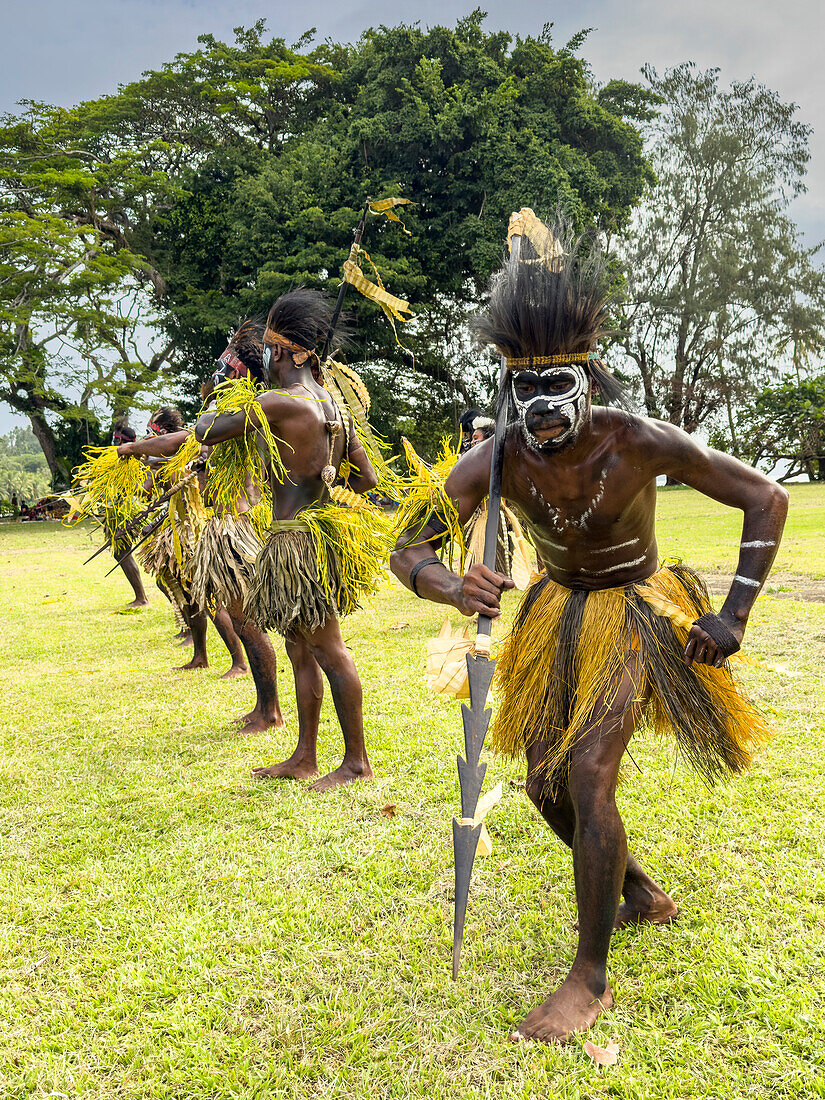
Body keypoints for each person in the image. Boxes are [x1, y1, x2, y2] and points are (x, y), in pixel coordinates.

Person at [390, 214, 787, 1044]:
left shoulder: (638, 441)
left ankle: (589, 976)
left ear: (586, 379)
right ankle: (637, 889)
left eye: (554, 389)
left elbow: (766, 497)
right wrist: (445, 581)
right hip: (553, 614)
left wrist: (732, 613)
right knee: (542, 787)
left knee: (589, 778)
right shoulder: (495, 458)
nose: (539, 409)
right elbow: (408, 544)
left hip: (632, 613)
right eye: (524, 393)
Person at [195, 289, 385, 791]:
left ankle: (356, 762)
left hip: (296, 543)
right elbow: (365, 480)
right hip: (314, 535)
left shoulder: (277, 403)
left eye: (266, 350)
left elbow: (205, 432)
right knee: (302, 647)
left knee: (328, 647)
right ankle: (304, 755)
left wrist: (221, 390)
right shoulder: (332, 408)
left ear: (278, 351)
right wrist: (324, 483)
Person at [117, 406, 249, 679]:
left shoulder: (189, 440)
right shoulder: (166, 456)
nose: (150, 437)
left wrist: (132, 450)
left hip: (196, 530)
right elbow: (149, 486)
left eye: (153, 433)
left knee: (210, 599)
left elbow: (164, 447)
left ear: (163, 430)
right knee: (190, 598)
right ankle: (200, 656)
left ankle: (239, 663)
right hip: (177, 530)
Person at [108, 423, 150, 608]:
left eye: (116, 439)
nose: (114, 443)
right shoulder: (122, 461)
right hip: (120, 509)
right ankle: (140, 597)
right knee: (120, 552)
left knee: (122, 551)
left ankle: (142, 598)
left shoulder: (135, 461)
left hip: (128, 510)